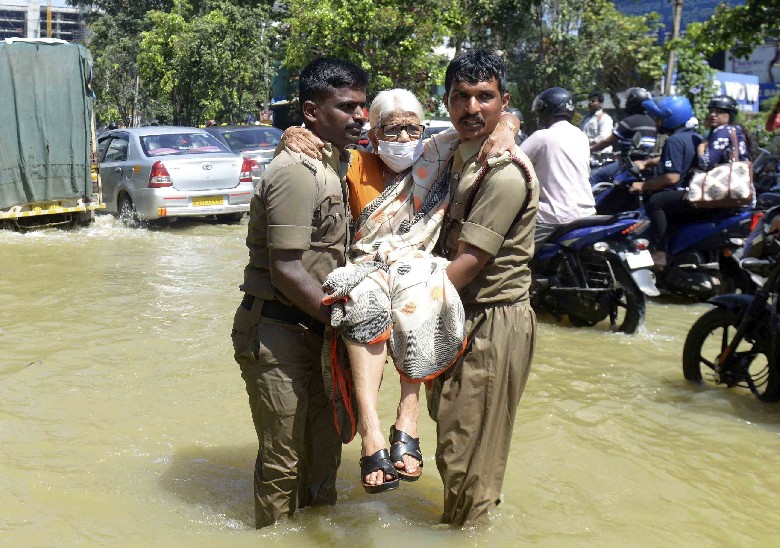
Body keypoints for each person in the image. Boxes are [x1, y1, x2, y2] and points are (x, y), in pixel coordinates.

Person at [282, 92, 521, 493]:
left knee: (424, 286)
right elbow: (302, 151)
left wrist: (510, 126)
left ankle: (407, 416)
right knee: (362, 300)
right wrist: (290, 133)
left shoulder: (440, 153)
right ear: (373, 134)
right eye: (392, 128)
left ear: (425, 130)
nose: (405, 135)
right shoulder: (351, 162)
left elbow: (492, 122)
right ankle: (371, 434)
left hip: (417, 265)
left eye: (413, 126)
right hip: (368, 263)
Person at [230, 57, 367, 529]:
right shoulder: (295, 171)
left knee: (324, 456)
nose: (359, 116)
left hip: (317, 329)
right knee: (283, 463)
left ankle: (316, 534)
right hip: (278, 331)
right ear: (311, 111)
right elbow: (286, 268)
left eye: (362, 106)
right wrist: (347, 324)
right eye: (346, 107)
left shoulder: (334, 162)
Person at [428, 49, 539, 527]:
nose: (472, 108)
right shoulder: (454, 154)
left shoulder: (504, 172)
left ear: (503, 102)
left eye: (485, 98)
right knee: (456, 439)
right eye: (461, 97)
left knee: (469, 460)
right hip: (457, 313)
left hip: (492, 320)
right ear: (448, 101)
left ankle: (468, 533)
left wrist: (394, 305)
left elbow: (470, 262)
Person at [630, 95, 706, 268]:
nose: (657, 122)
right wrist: (648, 162)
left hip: (682, 192)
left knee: (655, 201)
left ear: (671, 119)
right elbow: (679, 158)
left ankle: (659, 252)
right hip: (692, 189)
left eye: (660, 118)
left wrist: (642, 185)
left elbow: (672, 177)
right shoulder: (694, 137)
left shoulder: (673, 140)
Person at [520, 86, 595, 246]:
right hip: (586, 212)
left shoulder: (542, 137)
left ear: (546, 111)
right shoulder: (581, 136)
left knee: (509, 255)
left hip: (555, 214)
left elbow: (512, 164)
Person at [589, 87, 657, 186]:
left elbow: (609, 141)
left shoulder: (629, 121)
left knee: (595, 177)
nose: (625, 103)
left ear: (633, 103)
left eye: (628, 101)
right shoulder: (652, 122)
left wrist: (590, 149)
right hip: (647, 163)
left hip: (630, 164)